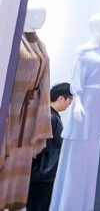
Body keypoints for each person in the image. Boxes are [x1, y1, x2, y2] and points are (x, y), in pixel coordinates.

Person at [26, 83, 72, 211]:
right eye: (70, 99)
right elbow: (39, 147)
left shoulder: (50, 116)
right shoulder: (50, 118)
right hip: (44, 175)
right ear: (61, 98)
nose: (70, 104)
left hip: (42, 174)